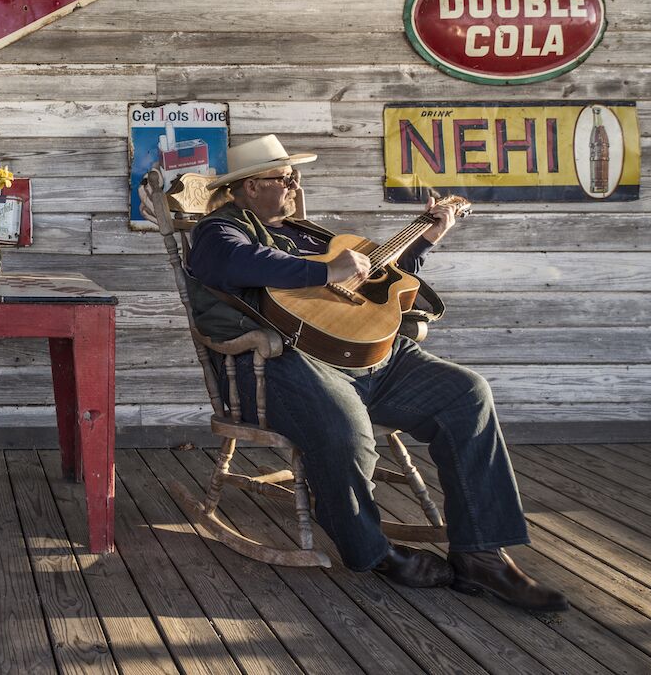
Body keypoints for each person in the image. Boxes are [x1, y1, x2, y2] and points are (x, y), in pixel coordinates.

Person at [182, 134, 568, 611]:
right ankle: (373, 551)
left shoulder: (311, 234)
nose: (295, 184)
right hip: (280, 361)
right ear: (247, 187)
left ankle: (481, 555)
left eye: (294, 176)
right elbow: (230, 262)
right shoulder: (220, 230)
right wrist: (325, 272)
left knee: (467, 392)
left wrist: (423, 239)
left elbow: (379, 283)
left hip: (366, 354)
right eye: (284, 177)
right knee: (344, 428)